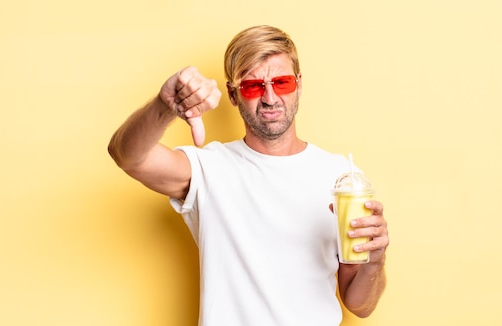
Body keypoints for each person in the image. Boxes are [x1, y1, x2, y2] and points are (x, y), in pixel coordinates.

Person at [108, 25, 389, 325]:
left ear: (299, 85)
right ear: (232, 94)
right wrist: (166, 106)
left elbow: (360, 305)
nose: (270, 98)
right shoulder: (209, 170)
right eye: (253, 86)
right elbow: (127, 155)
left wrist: (375, 260)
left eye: (281, 82)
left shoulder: (341, 178)